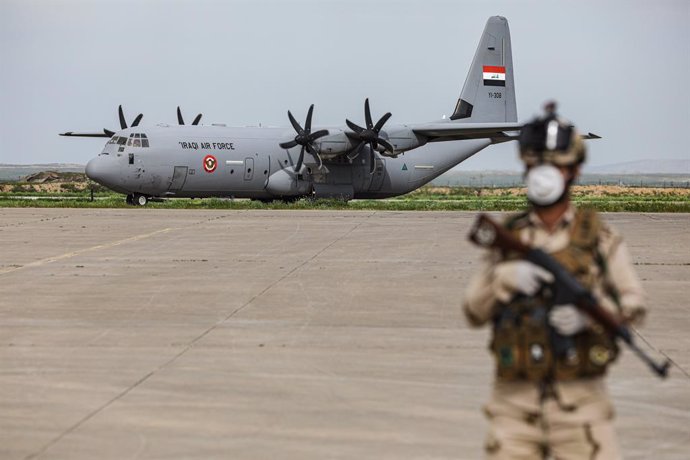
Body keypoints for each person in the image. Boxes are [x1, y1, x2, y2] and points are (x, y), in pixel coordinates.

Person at [462, 104, 647, 459]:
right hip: (514, 406)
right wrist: (503, 278)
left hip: (581, 407)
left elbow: (633, 303)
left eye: (555, 165)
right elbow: (473, 310)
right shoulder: (509, 237)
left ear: (574, 170)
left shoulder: (599, 238)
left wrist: (592, 315)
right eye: (536, 164)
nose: (543, 174)